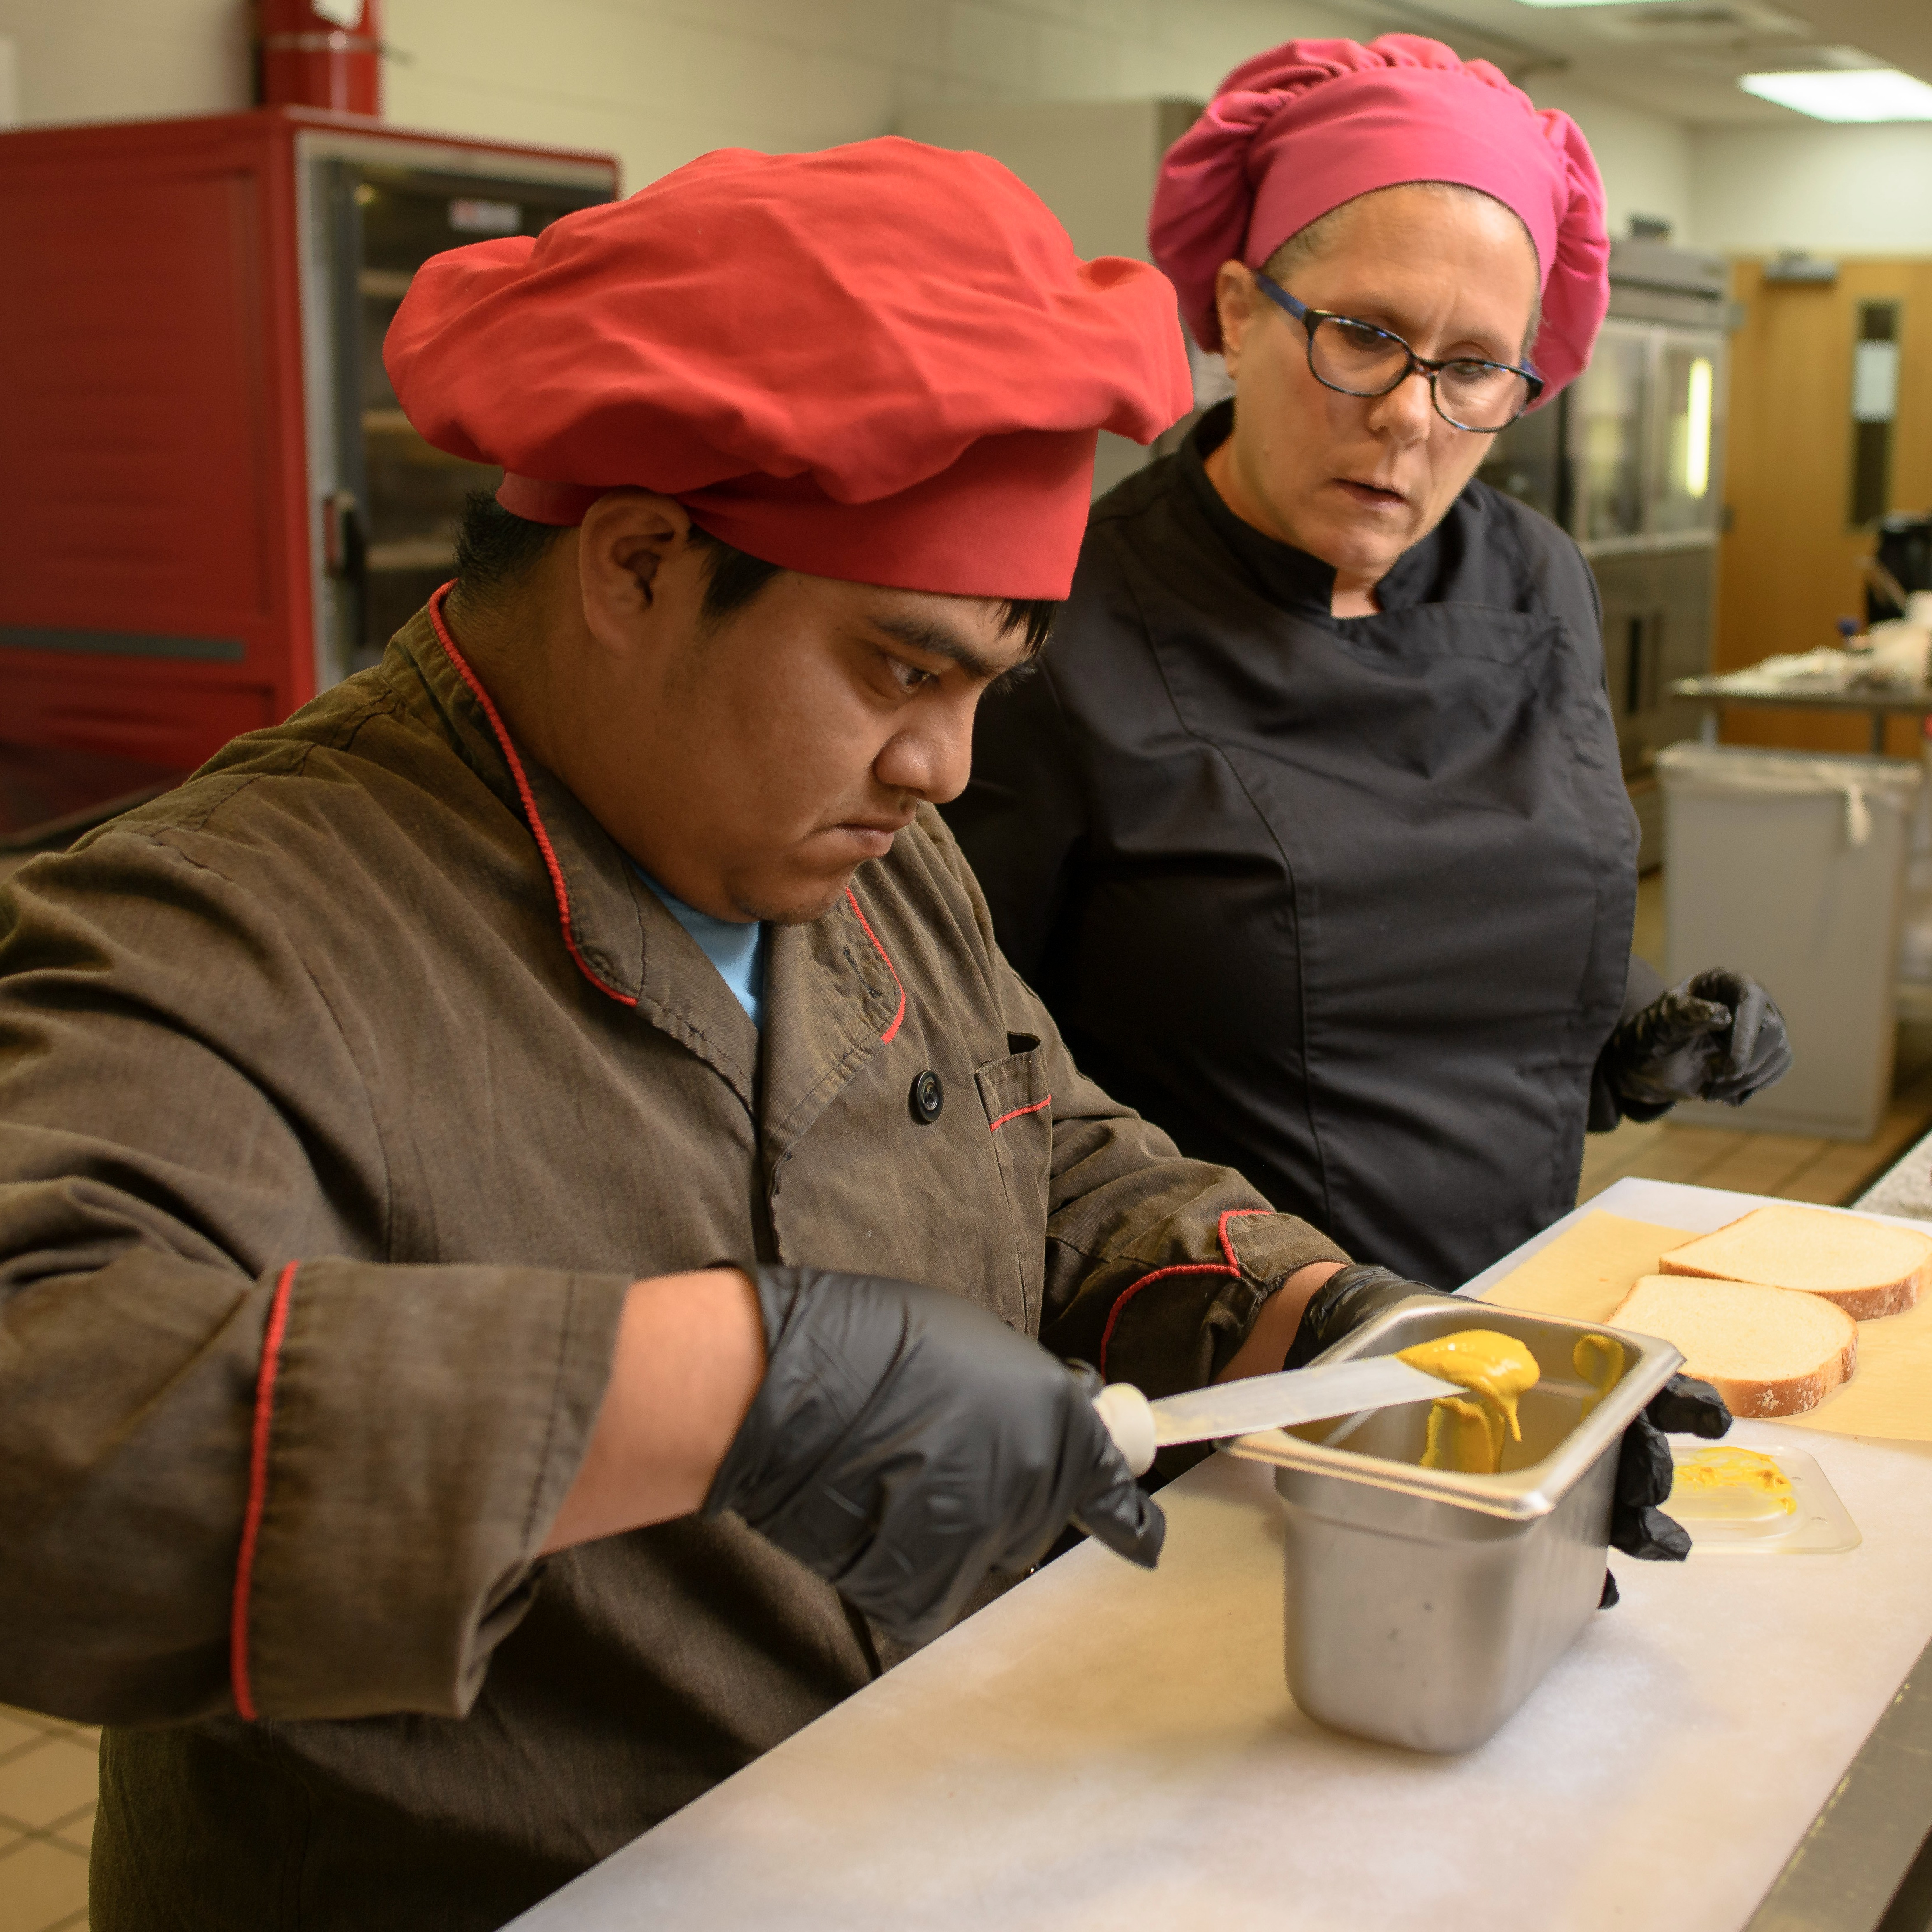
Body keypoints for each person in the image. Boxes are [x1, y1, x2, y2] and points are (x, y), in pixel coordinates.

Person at [0, 139, 1387, 1932]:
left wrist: (1332, 1326)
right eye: (898, 670)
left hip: (905, 1838)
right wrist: (730, 1382)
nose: (946, 766)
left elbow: (1044, 1149)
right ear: (641, 562)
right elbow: (43, 1414)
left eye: (990, 684)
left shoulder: (867, 857)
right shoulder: (238, 915)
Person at [945, 35, 1791, 1292]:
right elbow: (968, 1060)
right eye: (1362, 334)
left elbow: (1512, 868)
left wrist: (1629, 1026)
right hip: (1216, 1348)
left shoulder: (1536, 577)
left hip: (1517, 1300)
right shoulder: (1062, 622)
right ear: (1237, 313)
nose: (1409, 414)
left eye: (1475, 369)